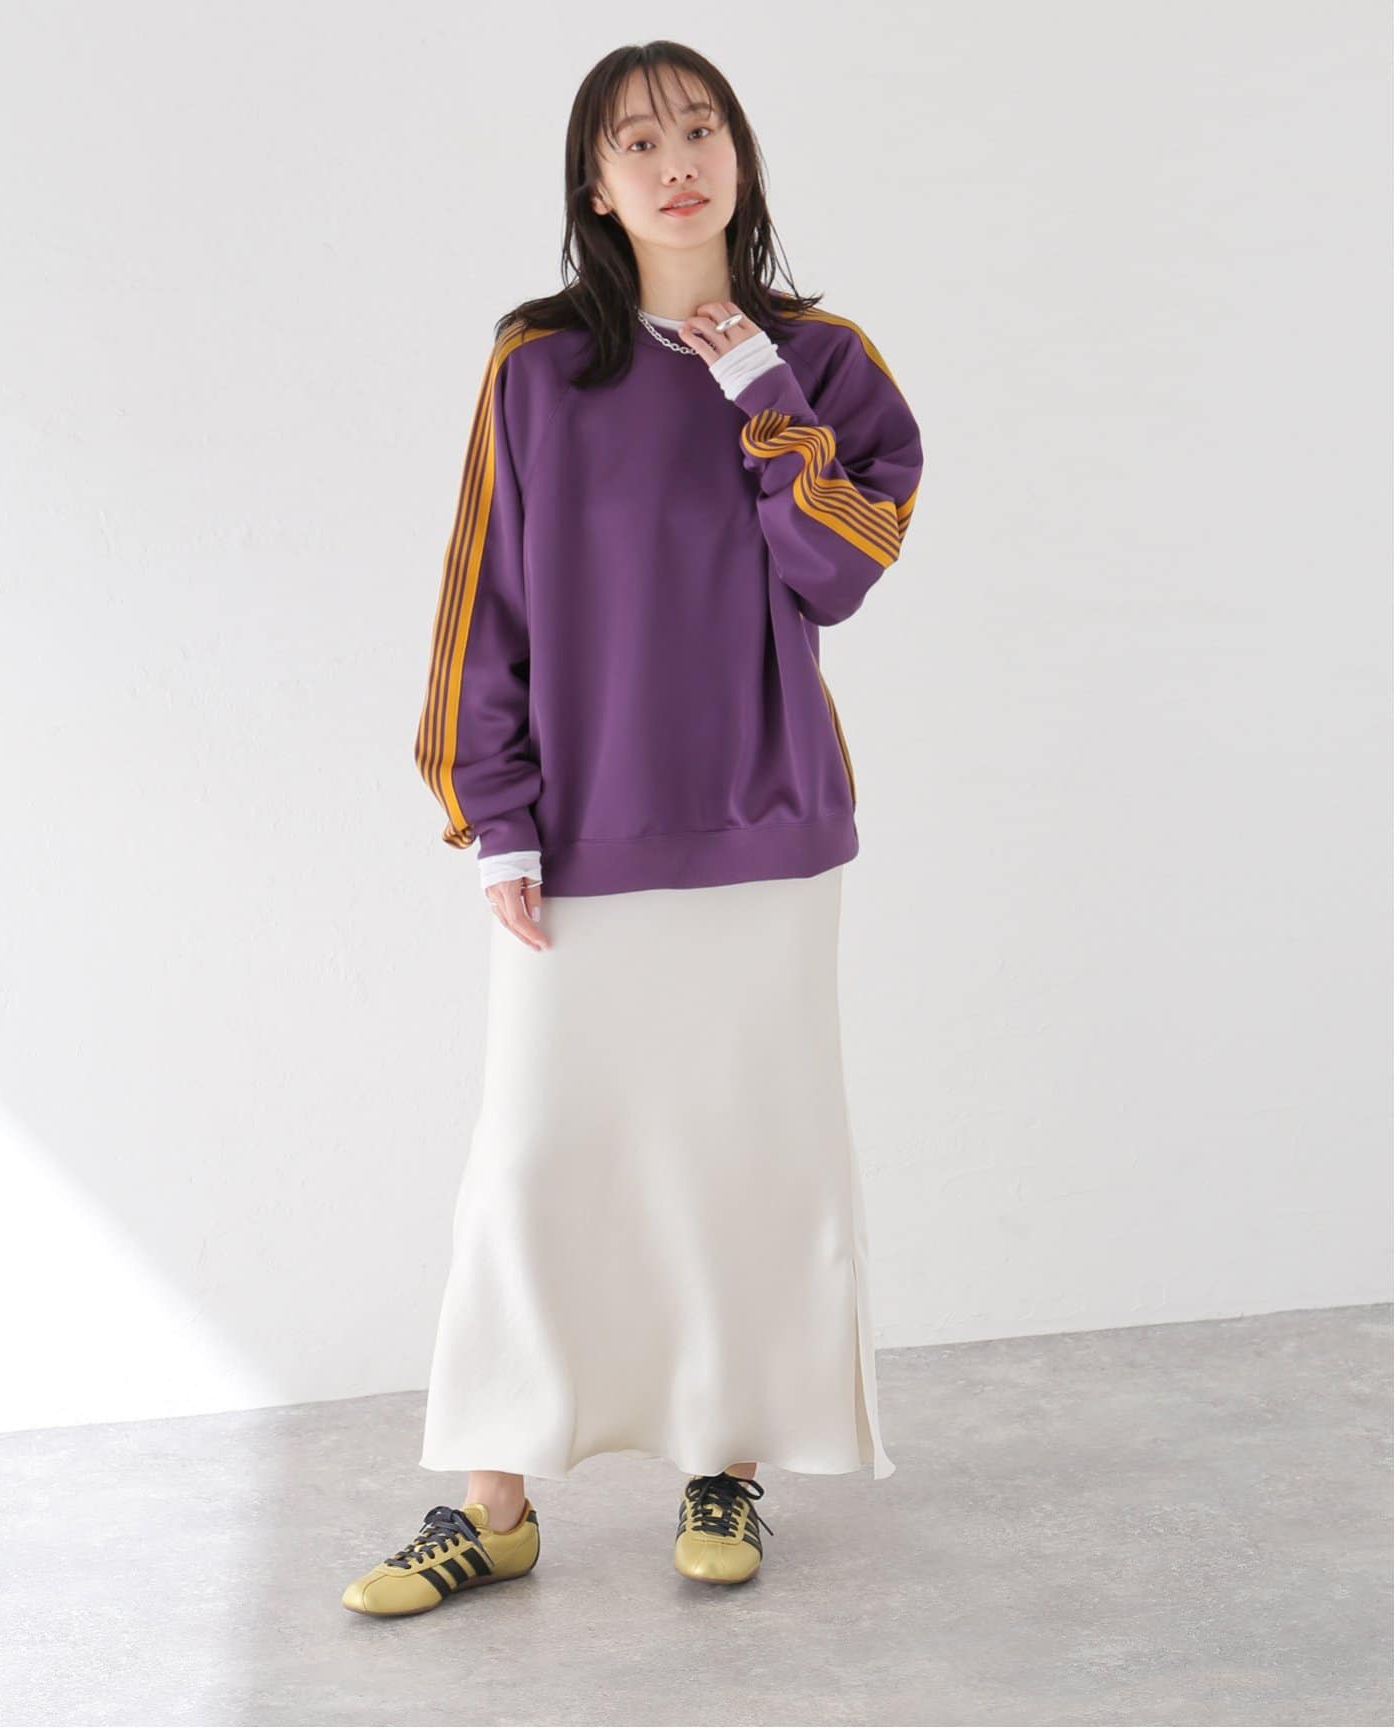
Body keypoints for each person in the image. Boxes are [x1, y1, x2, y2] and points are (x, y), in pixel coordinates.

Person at [343, 39, 924, 1617]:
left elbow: (837, 572)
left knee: (743, 1157)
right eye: (639, 142)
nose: (678, 163)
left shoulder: (828, 363)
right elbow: (484, 598)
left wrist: (759, 393)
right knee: (534, 1163)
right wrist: (497, 817)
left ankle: (722, 1465)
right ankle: (493, 1506)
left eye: (701, 129)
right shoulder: (538, 368)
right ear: (595, 187)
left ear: (741, 155)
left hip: (767, 835)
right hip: (585, 835)